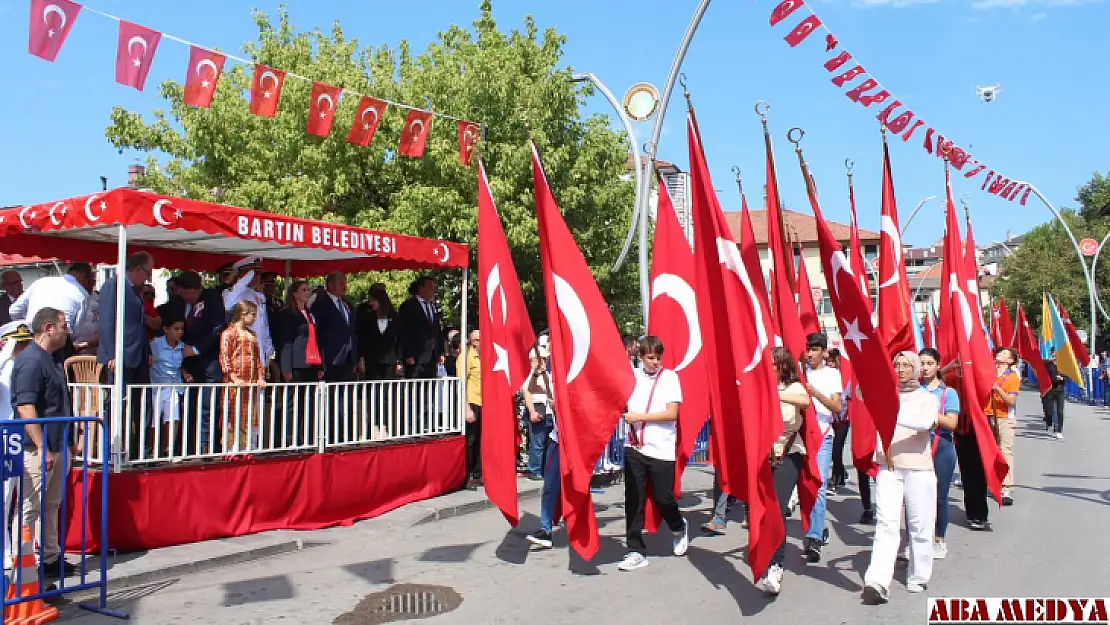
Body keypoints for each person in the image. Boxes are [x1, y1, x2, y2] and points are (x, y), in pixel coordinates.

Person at [862, 351, 940, 604]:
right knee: (886, 523)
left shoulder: (926, 398)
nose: (901, 369)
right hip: (889, 466)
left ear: (916, 369)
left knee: (919, 524)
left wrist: (889, 412)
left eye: (907, 365)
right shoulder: (886, 397)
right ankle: (877, 580)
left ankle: (919, 575)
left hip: (919, 469)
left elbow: (925, 422)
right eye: (897, 365)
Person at [11, 307, 78, 579]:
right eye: (64, 325)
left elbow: (59, 405)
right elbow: (26, 406)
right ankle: (22, 568)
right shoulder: (30, 360)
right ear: (48, 327)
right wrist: (41, 446)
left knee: (52, 505)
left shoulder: (51, 359)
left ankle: (51, 559)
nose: (68, 330)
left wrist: (70, 442)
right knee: (30, 508)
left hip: (57, 445)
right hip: (38, 449)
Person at [617, 336, 687, 572]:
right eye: (650, 358)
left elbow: (671, 414)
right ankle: (635, 550)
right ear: (641, 357)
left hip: (661, 448)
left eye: (658, 357)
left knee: (662, 497)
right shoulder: (632, 376)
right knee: (633, 499)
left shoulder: (670, 378)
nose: (655, 362)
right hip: (634, 446)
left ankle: (678, 526)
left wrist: (639, 417)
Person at [755, 347, 812, 595]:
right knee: (762, 510)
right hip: (762, 455)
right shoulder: (758, 388)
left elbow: (805, 401)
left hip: (788, 453)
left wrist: (776, 396)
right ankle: (763, 552)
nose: (770, 369)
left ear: (783, 366)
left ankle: (776, 564)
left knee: (777, 508)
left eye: (774, 364)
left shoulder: (793, 388)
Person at [98, 252, 155, 459]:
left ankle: (142, 451)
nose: (148, 278)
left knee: (143, 403)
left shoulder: (135, 290)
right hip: (121, 356)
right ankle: (112, 449)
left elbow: (138, 325)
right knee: (117, 404)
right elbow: (106, 321)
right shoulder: (113, 286)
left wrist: (147, 351)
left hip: (138, 355)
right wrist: (112, 353)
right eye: (148, 272)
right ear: (137, 269)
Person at [802, 332, 843, 563]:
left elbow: (837, 406)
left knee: (818, 486)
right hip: (799, 437)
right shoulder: (798, 372)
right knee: (802, 488)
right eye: (808, 349)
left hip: (823, 435)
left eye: (815, 349)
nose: (810, 354)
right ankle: (816, 527)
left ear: (824, 351)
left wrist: (814, 393)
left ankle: (815, 537)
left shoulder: (831, 374)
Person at [174, 271, 226, 454]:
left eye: (189, 293)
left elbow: (218, 328)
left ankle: (205, 446)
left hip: (208, 362)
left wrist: (196, 349)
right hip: (187, 364)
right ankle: (186, 446)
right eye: (182, 293)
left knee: (207, 406)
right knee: (187, 406)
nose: (185, 297)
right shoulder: (181, 303)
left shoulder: (213, 300)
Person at [919, 348, 960, 560]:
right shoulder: (913, 390)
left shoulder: (947, 393)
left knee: (940, 497)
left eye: (929, 363)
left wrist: (927, 413)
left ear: (937, 365)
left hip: (941, 446)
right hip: (917, 447)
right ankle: (916, 540)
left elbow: (952, 423)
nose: (925, 368)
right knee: (916, 498)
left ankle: (939, 539)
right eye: (921, 363)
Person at [10, 263, 94, 363]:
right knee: (59, 376)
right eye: (92, 280)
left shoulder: (41, 282)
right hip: (60, 344)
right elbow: (77, 332)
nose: (92, 285)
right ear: (83, 277)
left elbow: (14, 310)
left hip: (34, 337)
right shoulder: (82, 294)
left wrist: (28, 323)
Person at [0, 321, 34, 566]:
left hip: (13, 434)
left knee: (12, 495)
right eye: (18, 343)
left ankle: (10, 549)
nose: (22, 347)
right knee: (4, 496)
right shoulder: (4, 365)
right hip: (5, 433)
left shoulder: (20, 365)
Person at [277, 280, 323, 446]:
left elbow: (315, 340)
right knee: (293, 403)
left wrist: (319, 366)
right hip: (296, 363)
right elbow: (286, 342)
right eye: (304, 290)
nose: (307, 292)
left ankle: (307, 437)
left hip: (310, 362)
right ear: (295, 293)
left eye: (308, 290)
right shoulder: (288, 314)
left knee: (308, 402)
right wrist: (286, 368)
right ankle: (290, 438)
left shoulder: (310, 314)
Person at [219, 300, 267, 454]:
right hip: (234, 384)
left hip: (251, 384)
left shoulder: (252, 334)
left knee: (250, 414)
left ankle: (248, 447)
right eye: (253, 314)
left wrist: (260, 377)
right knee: (233, 414)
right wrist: (233, 377)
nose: (255, 318)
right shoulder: (228, 333)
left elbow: (258, 359)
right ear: (242, 314)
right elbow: (224, 357)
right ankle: (232, 448)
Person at [148, 311, 197, 456]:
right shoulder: (155, 344)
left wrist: (184, 373)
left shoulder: (182, 347)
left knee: (174, 418)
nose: (180, 332)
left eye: (182, 329)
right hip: (156, 386)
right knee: (155, 421)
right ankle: (153, 449)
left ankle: (168, 449)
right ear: (166, 329)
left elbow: (176, 365)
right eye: (176, 329)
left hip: (173, 386)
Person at [222, 257, 274, 369]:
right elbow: (228, 305)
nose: (257, 277)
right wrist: (246, 278)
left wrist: (268, 350)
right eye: (255, 273)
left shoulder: (259, 296)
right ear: (243, 275)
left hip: (259, 351)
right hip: (241, 352)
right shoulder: (231, 293)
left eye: (259, 274)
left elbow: (264, 325)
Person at [310, 272, 360, 383]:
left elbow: (351, 331)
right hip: (330, 358)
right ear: (331, 285)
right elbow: (318, 331)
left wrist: (355, 357)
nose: (345, 287)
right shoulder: (321, 303)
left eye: (345, 284)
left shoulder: (347, 304)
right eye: (341, 284)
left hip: (348, 358)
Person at [986, 346, 1019, 506]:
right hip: (988, 415)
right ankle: (992, 482)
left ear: (1010, 361)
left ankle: (1007, 487)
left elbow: (1011, 401)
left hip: (1005, 418)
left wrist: (997, 388)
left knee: (1005, 451)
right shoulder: (990, 372)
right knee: (990, 451)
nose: (1000, 354)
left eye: (1004, 353)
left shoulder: (1012, 377)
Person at [398, 276, 444, 379]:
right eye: (430, 288)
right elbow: (404, 331)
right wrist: (407, 354)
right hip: (416, 356)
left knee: (430, 386)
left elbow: (437, 330)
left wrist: (440, 351)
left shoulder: (433, 306)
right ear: (421, 288)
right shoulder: (408, 306)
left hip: (432, 355)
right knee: (416, 388)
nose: (433, 291)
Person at [521, 346, 555, 482]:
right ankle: (534, 469)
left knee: (547, 443)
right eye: (543, 358)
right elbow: (527, 393)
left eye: (546, 359)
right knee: (537, 443)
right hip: (537, 408)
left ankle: (544, 469)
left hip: (548, 411)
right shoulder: (531, 376)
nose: (545, 361)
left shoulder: (548, 375)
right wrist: (532, 412)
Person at [356, 284, 401, 381]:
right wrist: (361, 358)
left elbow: (398, 338)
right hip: (372, 360)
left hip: (390, 360)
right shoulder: (367, 316)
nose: (371, 303)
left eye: (373, 300)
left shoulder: (394, 316)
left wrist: (398, 361)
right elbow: (362, 338)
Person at [461, 330, 482, 490]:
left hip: (484, 403)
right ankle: (466, 475)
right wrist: (466, 408)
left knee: (480, 441)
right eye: (479, 340)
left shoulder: (485, 357)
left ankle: (478, 474)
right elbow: (461, 385)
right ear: (473, 341)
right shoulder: (466, 357)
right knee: (470, 441)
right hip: (472, 402)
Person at [828, 348, 849, 495]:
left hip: (843, 420)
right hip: (830, 419)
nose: (830, 364)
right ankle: (841, 472)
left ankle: (835, 480)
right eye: (827, 361)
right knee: (833, 452)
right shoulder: (826, 377)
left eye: (832, 361)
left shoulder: (845, 378)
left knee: (837, 450)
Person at [1041, 349, 1067, 440]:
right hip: (1050, 390)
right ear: (1052, 354)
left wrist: (1062, 378)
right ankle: (1049, 422)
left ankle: (1059, 430)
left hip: (1060, 390)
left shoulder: (1064, 365)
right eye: (1054, 353)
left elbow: (1068, 377)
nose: (1056, 355)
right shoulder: (1048, 365)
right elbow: (1041, 374)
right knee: (1049, 411)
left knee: (1060, 411)